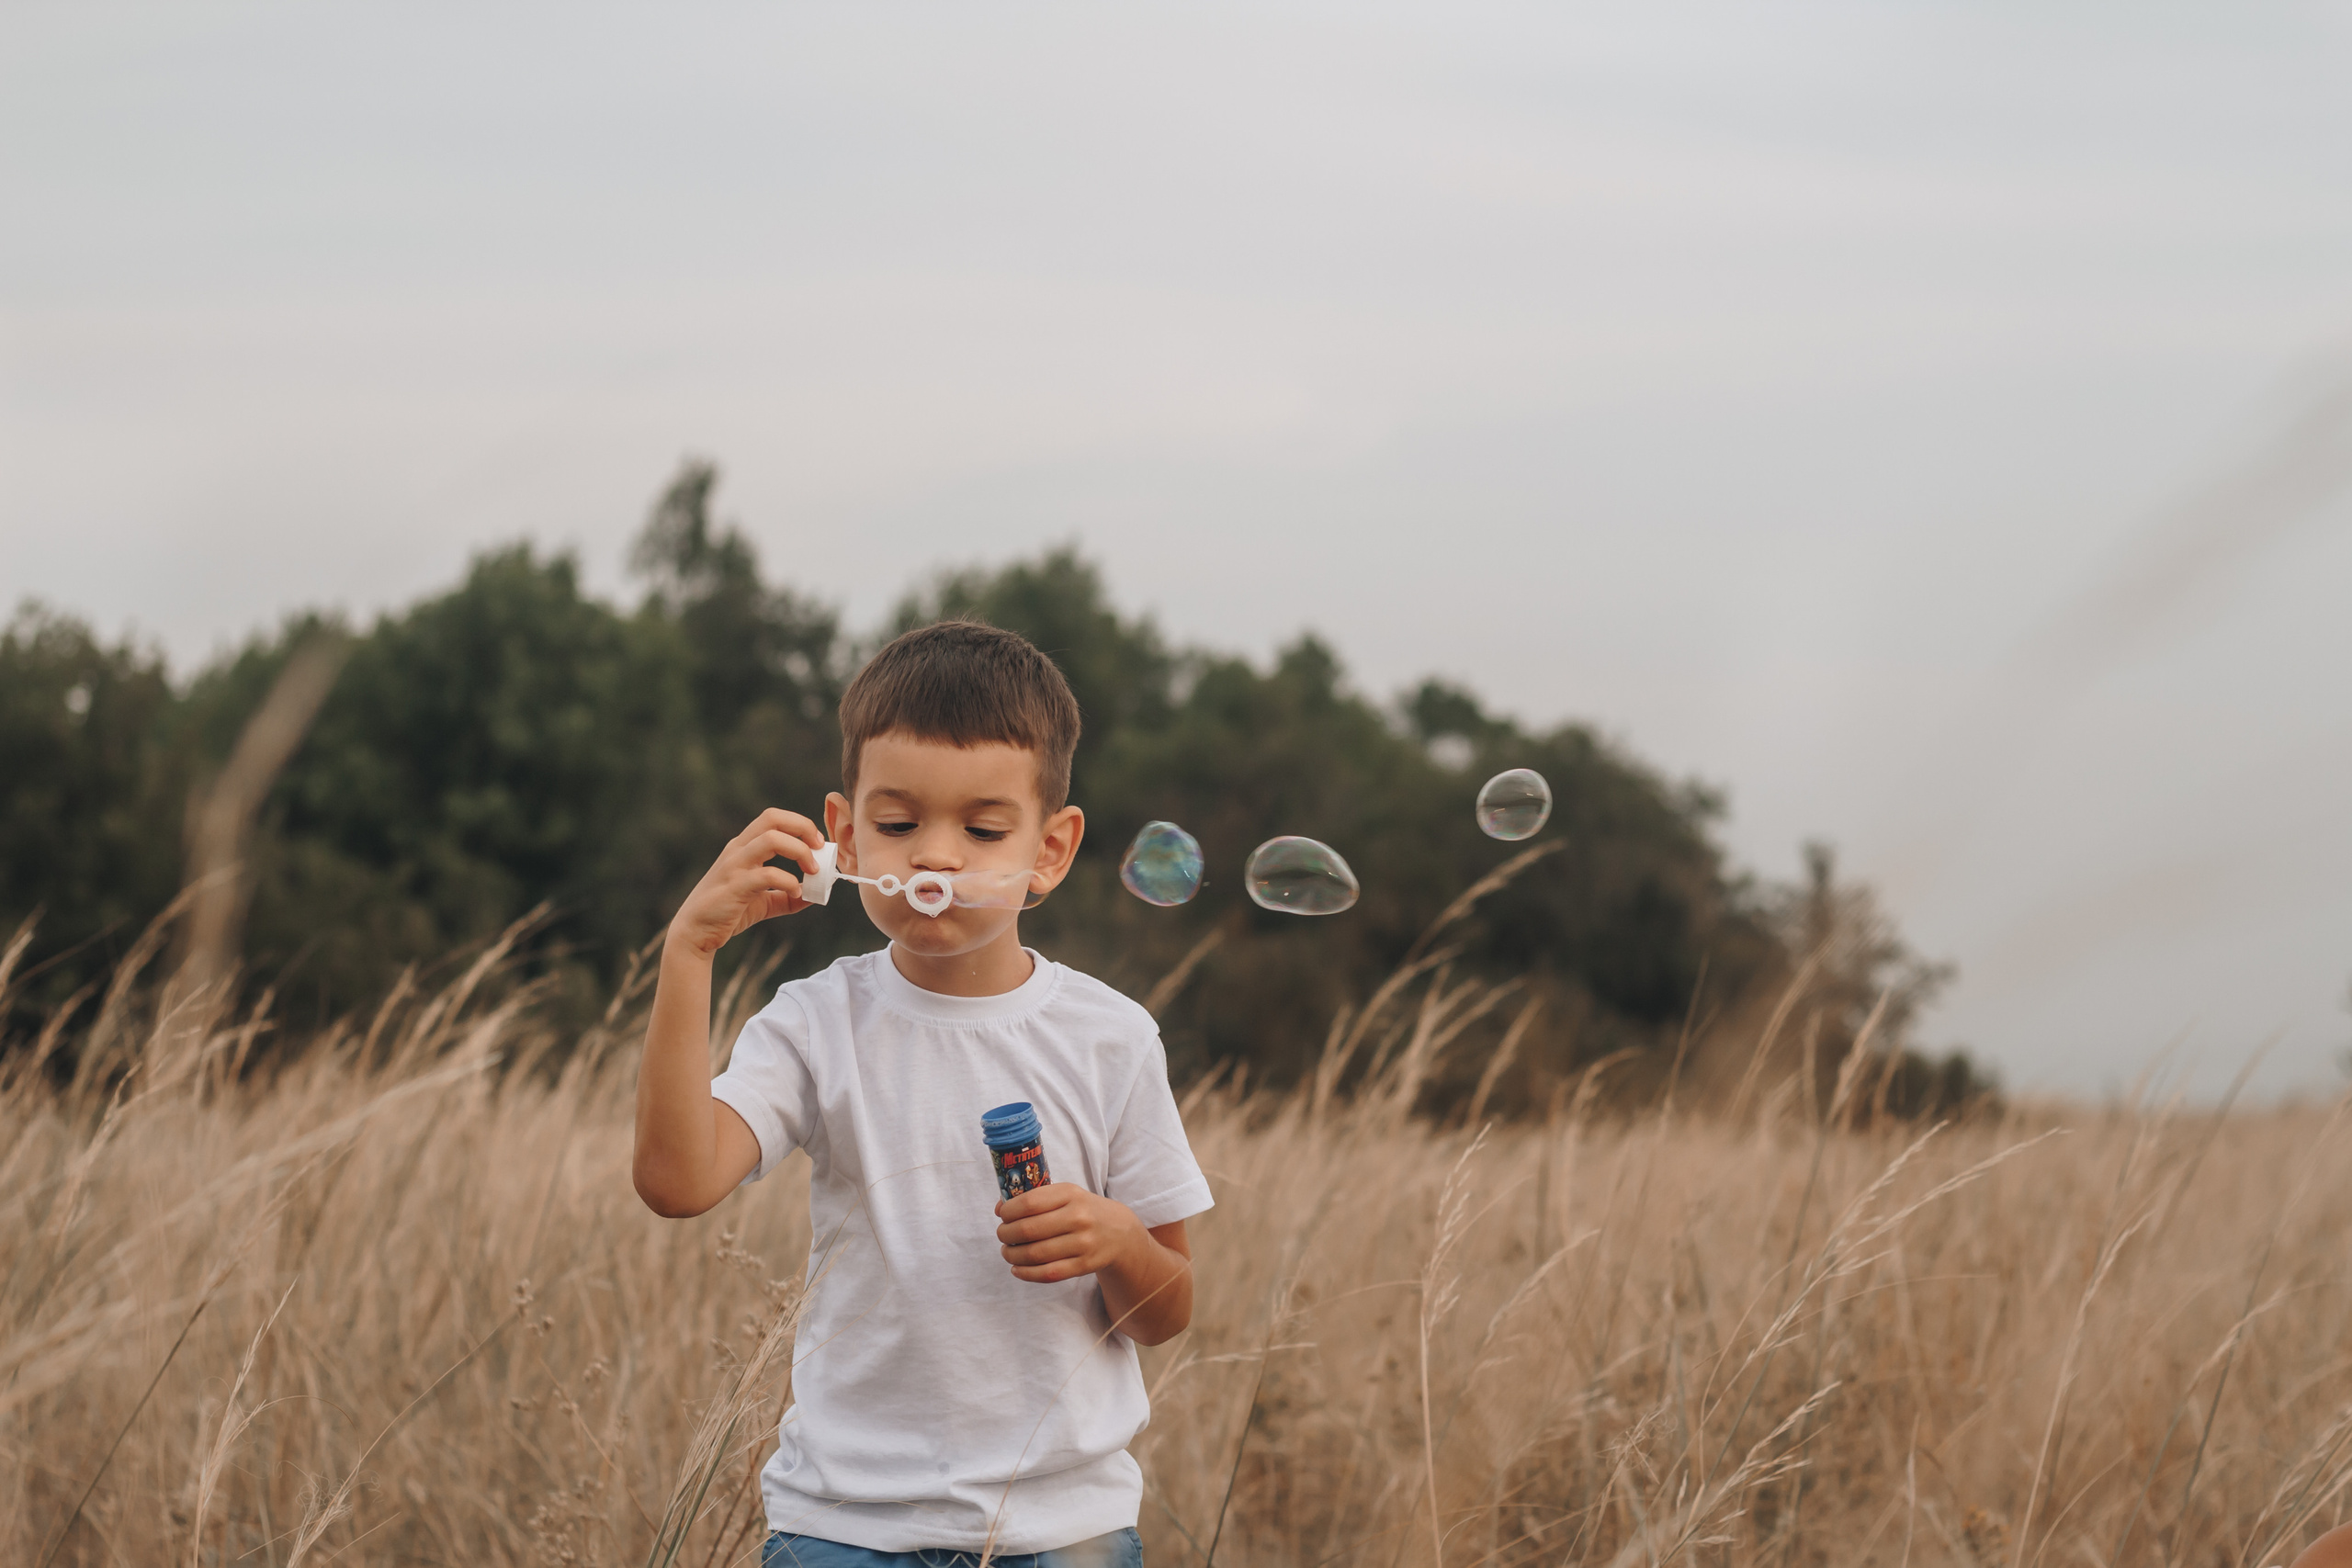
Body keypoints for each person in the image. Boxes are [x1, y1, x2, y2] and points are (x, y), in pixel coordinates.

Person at [632, 619, 1210, 1568]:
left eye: (983, 831)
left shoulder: (1111, 1038)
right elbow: (676, 1181)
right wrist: (687, 952)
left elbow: (1170, 1308)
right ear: (845, 833)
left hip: (1063, 1533)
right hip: (845, 1526)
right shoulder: (817, 1021)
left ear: (1050, 851)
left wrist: (1115, 1241)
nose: (935, 859)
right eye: (898, 826)